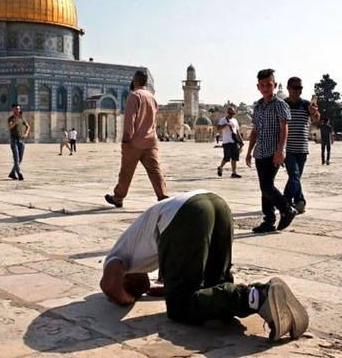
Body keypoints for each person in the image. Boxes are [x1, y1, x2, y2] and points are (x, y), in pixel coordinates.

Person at [99, 190, 309, 342]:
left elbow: (109, 285)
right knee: (214, 290)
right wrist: (167, 288)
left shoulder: (117, 257)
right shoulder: (140, 252)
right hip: (215, 203)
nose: (139, 292)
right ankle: (268, 300)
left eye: (133, 290)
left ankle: (257, 295)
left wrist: (125, 300)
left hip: (187, 215)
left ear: (125, 278)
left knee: (179, 307)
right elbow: (173, 259)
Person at [104, 70, 168, 207]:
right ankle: (164, 198)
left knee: (126, 172)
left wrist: (126, 139)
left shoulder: (134, 96)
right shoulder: (152, 98)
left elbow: (129, 120)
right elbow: (153, 122)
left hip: (134, 142)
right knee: (155, 171)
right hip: (150, 142)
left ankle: (118, 197)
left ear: (136, 80)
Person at [245, 69, 297, 233]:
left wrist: (281, 150)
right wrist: (249, 151)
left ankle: (287, 209)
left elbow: (284, 129)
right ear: (258, 87)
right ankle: (269, 220)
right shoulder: (258, 106)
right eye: (262, 85)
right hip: (260, 152)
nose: (266, 88)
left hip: (273, 152)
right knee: (264, 187)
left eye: (269, 84)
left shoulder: (280, 105)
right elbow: (255, 130)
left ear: (274, 85)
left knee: (267, 186)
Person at [283, 77, 319, 214]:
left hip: (302, 148)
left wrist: (314, 112)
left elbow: (316, 119)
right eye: (295, 87)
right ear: (288, 88)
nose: (298, 90)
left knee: (296, 177)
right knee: (294, 176)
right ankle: (286, 201)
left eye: (300, 88)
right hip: (288, 148)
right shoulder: (283, 104)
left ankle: (299, 201)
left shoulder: (306, 104)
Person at [216, 107, 242, 178]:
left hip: (234, 141)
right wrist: (226, 125)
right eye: (230, 113)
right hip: (227, 142)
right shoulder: (223, 120)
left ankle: (234, 173)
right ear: (227, 113)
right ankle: (221, 167)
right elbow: (218, 128)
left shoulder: (235, 120)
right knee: (227, 158)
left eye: (233, 113)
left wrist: (241, 140)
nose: (231, 115)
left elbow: (237, 131)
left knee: (234, 158)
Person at [7, 103, 30, 180]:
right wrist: (15, 121)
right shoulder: (11, 118)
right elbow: (10, 126)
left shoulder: (22, 118)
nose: (18, 110)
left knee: (20, 158)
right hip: (14, 140)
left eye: (19, 109)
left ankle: (12, 173)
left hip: (22, 140)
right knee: (16, 158)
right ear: (13, 109)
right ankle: (19, 173)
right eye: (16, 109)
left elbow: (28, 126)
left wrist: (26, 133)